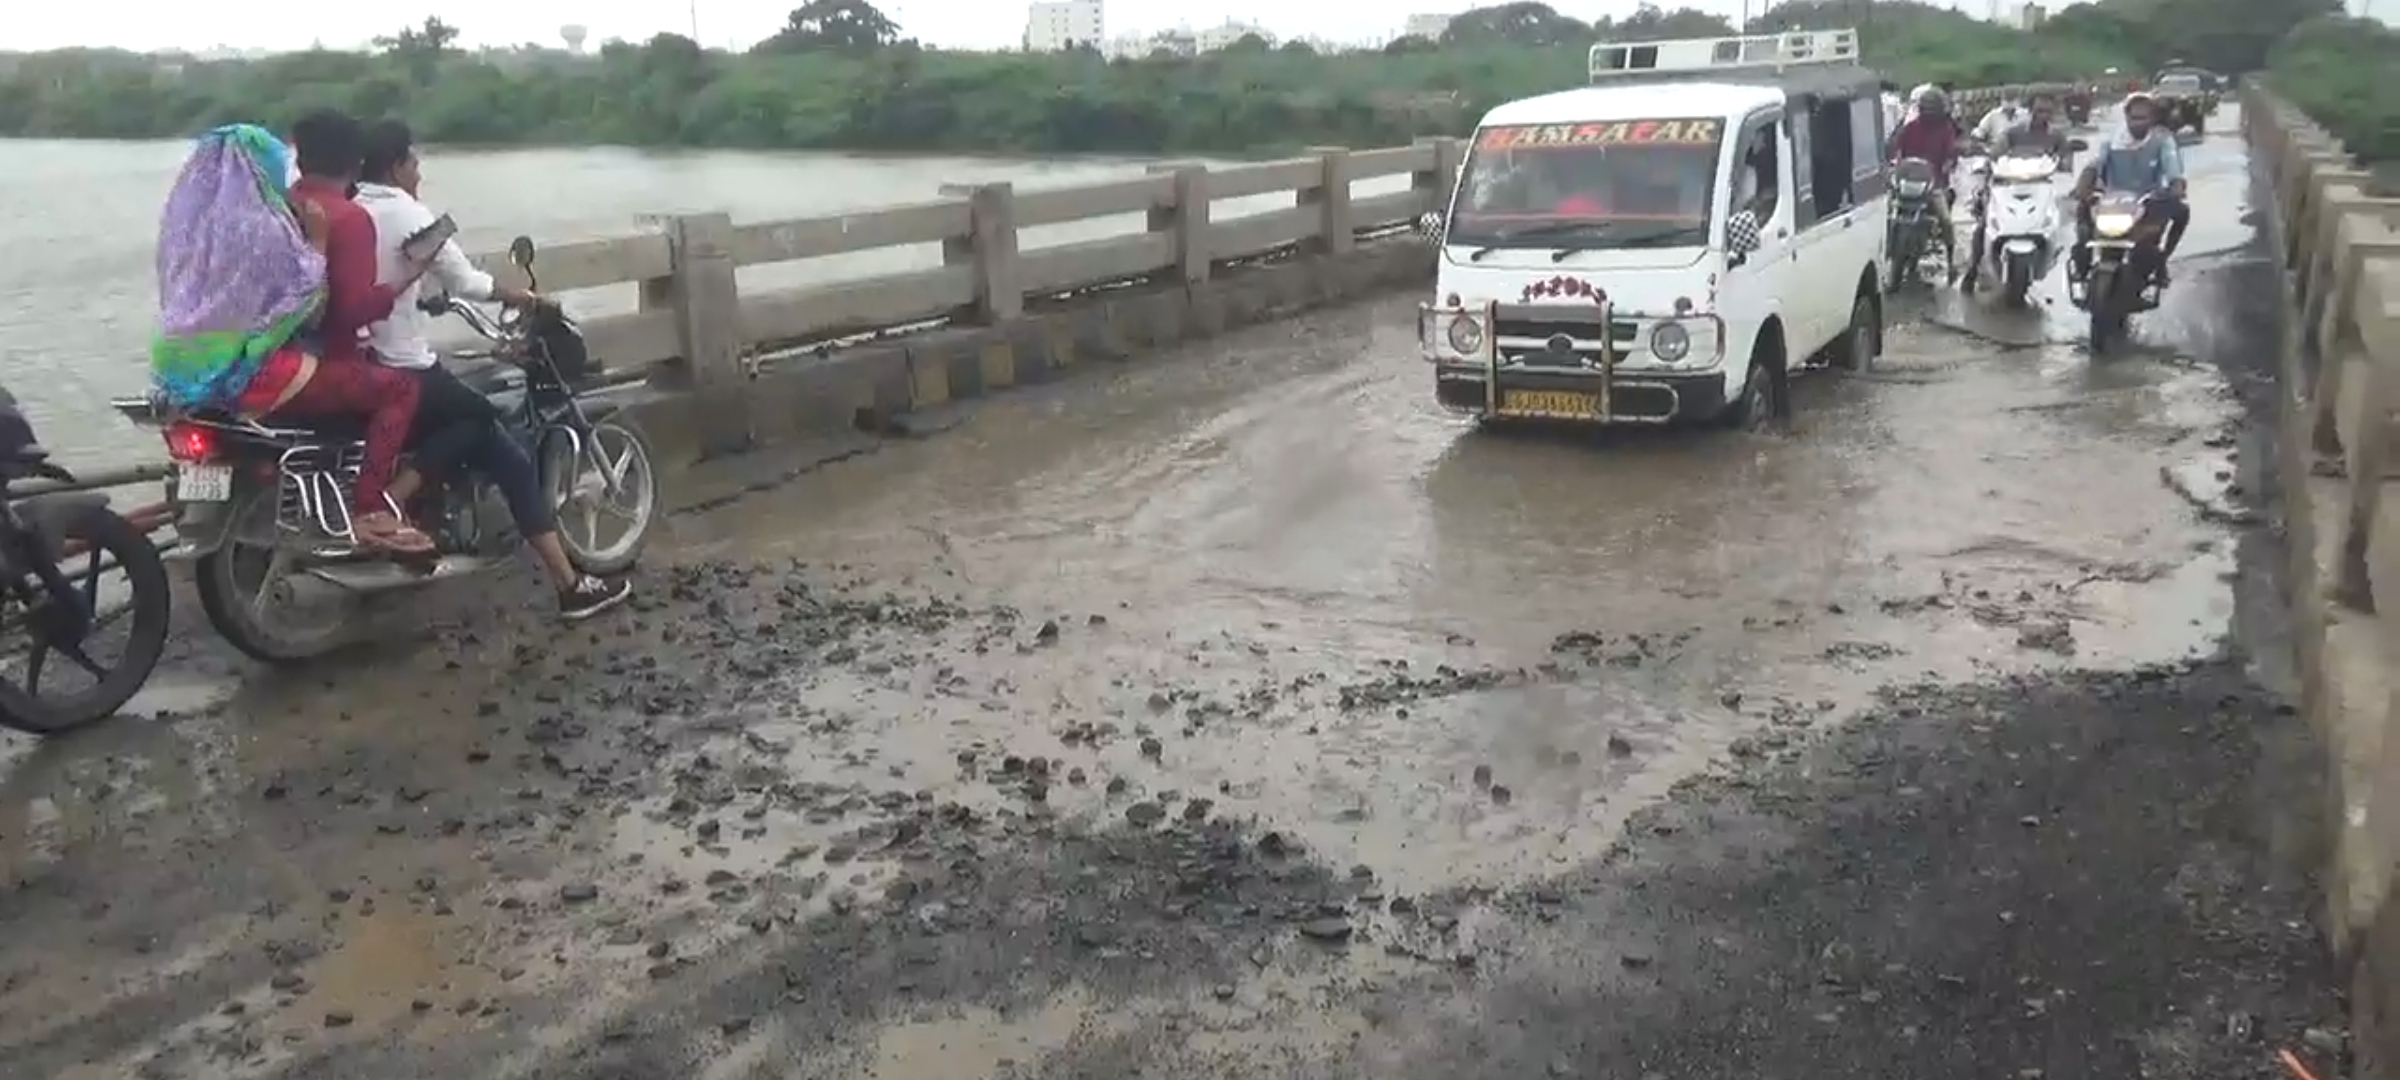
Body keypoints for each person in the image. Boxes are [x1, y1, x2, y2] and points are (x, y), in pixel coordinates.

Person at [354, 121, 634, 620]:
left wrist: (428, 298)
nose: (419, 172)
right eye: (414, 162)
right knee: (485, 424)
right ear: (397, 165)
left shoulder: (351, 209)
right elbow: (465, 280)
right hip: (403, 366)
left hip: (358, 365)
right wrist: (526, 297)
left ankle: (417, 507)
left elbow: (395, 278)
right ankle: (568, 585)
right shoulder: (408, 213)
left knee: (460, 419)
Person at [240, 111, 439, 555]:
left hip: (255, 360)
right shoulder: (348, 218)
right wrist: (405, 279)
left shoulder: (273, 207)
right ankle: (370, 506)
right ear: (355, 161)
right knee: (401, 390)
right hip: (315, 367)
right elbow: (350, 312)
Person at [2070, 91, 2189, 286]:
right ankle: (2082, 265)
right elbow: (2095, 164)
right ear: (2126, 117)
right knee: (2083, 213)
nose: (2138, 123)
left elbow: (2172, 166)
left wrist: (2177, 185)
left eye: (2143, 118)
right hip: (2113, 203)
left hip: (2149, 202)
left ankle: (2162, 260)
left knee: (2182, 212)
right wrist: (2083, 186)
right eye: (2134, 118)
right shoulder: (2113, 140)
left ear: (2152, 118)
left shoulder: (2162, 140)